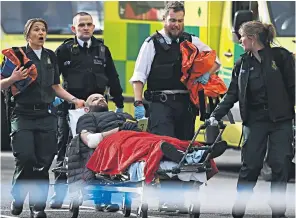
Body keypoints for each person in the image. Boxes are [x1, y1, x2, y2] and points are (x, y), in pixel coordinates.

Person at [0, 18, 85, 218]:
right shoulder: (16, 55)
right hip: (22, 113)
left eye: (43, 30)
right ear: (28, 34)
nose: (41, 33)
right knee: (26, 157)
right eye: (36, 29)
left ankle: (37, 207)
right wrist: (13, 79)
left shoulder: (50, 56)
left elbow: (55, 86)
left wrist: (75, 100)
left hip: (46, 115)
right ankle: (18, 197)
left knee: (44, 161)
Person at [209, 21, 294, 218]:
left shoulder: (281, 58)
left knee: (280, 164)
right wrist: (215, 115)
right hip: (255, 121)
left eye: (241, 36)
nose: (239, 40)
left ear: (252, 38)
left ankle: (278, 212)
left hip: (281, 120)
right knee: (251, 165)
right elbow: (232, 94)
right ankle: (240, 208)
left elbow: (293, 88)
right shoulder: (242, 64)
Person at [50, 11, 125, 209]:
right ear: (73, 29)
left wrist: (119, 102)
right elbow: (53, 80)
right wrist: (57, 100)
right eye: (81, 25)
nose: (85, 28)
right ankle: (59, 195)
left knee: (102, 149)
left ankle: (103, 199)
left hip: (98, 108)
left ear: (93, 27)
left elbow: (113, 77)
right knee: (65, 149)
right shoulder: (64, 50)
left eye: (89, 24)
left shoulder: (102, 49)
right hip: (71, 107)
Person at [130, 1, 220, 141]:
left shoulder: (191, 40)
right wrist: (138, 103)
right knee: (165, 146)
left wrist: (206, 74)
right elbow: (139, 76)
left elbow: (216, 61)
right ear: (164, 19)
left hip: (185, 106)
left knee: (184, 148)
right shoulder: (152, 43)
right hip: (161, 105)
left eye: (180, 20)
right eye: (172, 20)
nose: (176, 24)